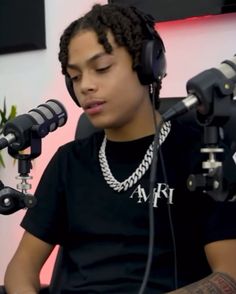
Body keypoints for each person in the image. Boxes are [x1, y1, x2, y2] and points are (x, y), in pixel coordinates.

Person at [4, 3, 236, 294]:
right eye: (75, 77)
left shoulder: (203, 153)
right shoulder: (68, 161)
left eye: (101, 68)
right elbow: (20, 269)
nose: (86, 86)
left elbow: (229, 276)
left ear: (147, 66)